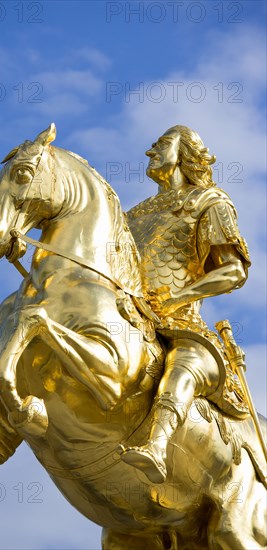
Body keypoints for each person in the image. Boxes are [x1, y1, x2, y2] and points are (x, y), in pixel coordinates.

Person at [119, 125, 251, 483]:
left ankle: (157, 446)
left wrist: (178, 298)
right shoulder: (131, 215)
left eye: (160, 144)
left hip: (181, 325)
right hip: (130, 316)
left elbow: (233, 271)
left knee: (184, 366)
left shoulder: (209, 201)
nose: (150, 152)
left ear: (184, 155)